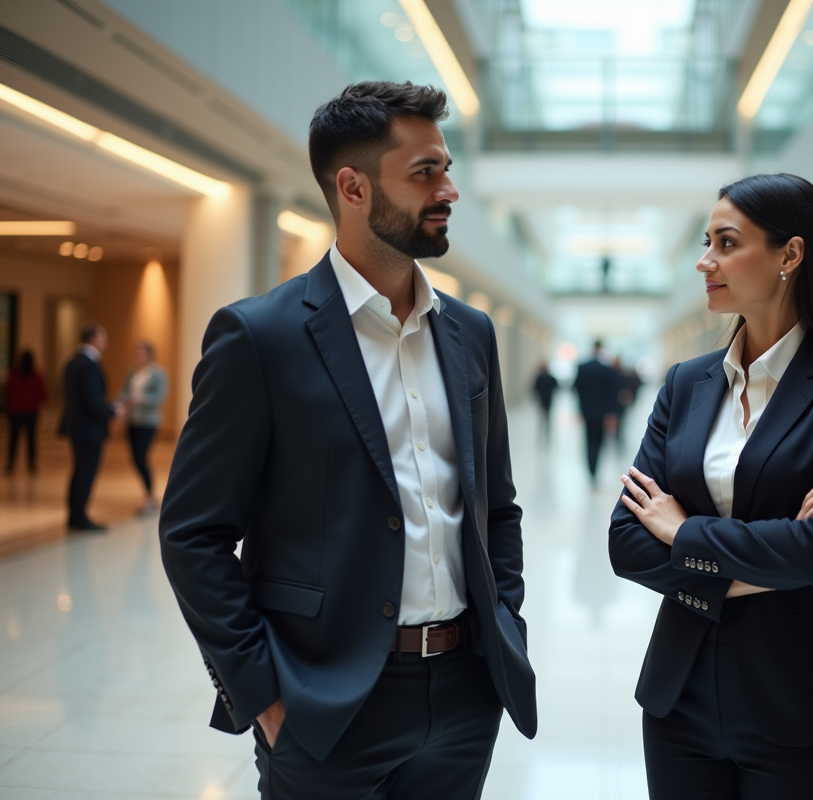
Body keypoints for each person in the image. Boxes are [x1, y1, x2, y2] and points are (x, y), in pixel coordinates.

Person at [158, 81, 535, 800]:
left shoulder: (470, 334)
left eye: (447, 168)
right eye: (425, 172)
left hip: (463, 696)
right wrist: (264, 695)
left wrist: (504, 629)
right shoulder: (259, 337)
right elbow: (193, 533)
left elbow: (497, 508)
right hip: (323, 702)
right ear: (353, 187)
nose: (449, 189)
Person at [610, 173, 813, 800]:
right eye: (706, 240)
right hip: (677, 698)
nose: (703, 260)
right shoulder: (686, 383)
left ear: (789, 255)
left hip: (798, 704)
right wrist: (775, 552)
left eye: (725, 242)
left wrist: (681, 529)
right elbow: (626, 541)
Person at [59, 324, 120, 531]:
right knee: (86, 472)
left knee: (79, 470)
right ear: (93, 338)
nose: (106, 341)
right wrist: (114, 411)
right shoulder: (88, 364)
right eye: (103, 337)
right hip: (89, 428)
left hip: (78, 426)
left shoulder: (72, 361)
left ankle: (74, 514)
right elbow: (93, 400)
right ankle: (79, 517)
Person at [117, 341, 168, 514]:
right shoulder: (132, 372)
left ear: (148, 354)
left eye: (141, 352)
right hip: (133, 420)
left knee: (140, 456)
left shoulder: (158, 374)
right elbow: (124, 392)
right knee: (134, 457)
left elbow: (159, 396)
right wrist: (119, 406)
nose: (138, 355)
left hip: (149, 421)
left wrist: (140, 398)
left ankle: (150, 495)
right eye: (136, 352)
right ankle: (149, 494)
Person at [574, 340, 621, 487]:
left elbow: (578, 389)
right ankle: (596, 470)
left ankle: (591, 470)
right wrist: (611, 413)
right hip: (602, 413)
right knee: (599, 441)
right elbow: (612, 392)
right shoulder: (606, 369)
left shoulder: (583, 367)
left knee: (588, 440)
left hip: (588, 411)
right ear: (601, 349)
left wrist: (580, 409)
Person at [5, 349, 48, 475]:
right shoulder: (36, 376)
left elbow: (8, 393)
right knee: (31, 439)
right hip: (31, 411)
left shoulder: (13, 376)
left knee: (13, 439)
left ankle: (11, 464)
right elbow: (44, 395)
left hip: (15, 411)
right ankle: (32, 465)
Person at [531, 361, 558, 441]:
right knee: (546, 416)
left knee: (543, 417)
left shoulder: (540, 378)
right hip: (547, 399)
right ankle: (546, 432)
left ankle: (545, 432)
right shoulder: (550, 378)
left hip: (543, 400)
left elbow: (534, 389)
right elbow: (556, 387)